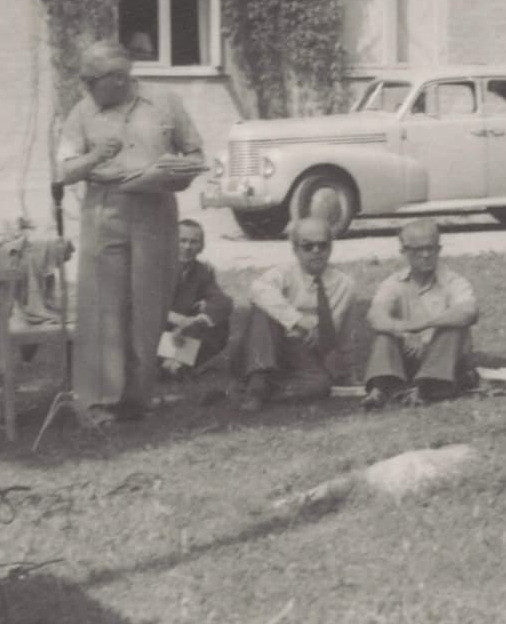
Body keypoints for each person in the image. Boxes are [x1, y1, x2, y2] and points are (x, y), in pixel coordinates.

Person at [57, 40, 205, 428]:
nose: (85, 87)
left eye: (92, 80)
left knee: (149, 303)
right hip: (106, 206)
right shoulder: (83, 111)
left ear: (119, 79)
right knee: (103, 306)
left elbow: (195, 154)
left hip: (155, 206)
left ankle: (138, 398)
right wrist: (95, 156)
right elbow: (65, 171)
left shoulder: (165, 102)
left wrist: (177, 171)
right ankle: (98, 404)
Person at [233, 216, 355, 413]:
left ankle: (263, 391)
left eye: (322, 245)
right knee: (262, 310)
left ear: (331, 247)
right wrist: (298, 321)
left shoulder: (345, 284)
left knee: (321, 385)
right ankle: (257, 382)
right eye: (307, 246)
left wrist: (347, 369)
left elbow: (344, 334)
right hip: (270, 344)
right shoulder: (284, 274)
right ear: (295, 249)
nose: (316, 251)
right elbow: (258, 289)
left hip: (305, 352)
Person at [362, 218, 480, 408]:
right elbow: (375, 316)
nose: (425, 255)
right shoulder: (394, 283)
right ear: (404, 252)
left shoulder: (453, 281)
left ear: (439, 250)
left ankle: (426, 387)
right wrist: (403, 332)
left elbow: (469, 312)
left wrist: (424, 326)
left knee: (453, 328)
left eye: (430, 248)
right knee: (384, 335)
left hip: (446, 359)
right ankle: (380, 388)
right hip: (409, 357)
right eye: (418, 250)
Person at [162, 218, 232, 379]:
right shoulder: (158, 267)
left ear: (201, 246)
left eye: (193, 242)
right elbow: (144, 306)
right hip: (153, 333)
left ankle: (176, 365)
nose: (187, 247)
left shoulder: (202, 271)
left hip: (182, 333)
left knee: (218, 323)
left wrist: (202, 317)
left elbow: (222, 301)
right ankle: (170, 366)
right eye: (182, 241)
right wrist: (178, 319)